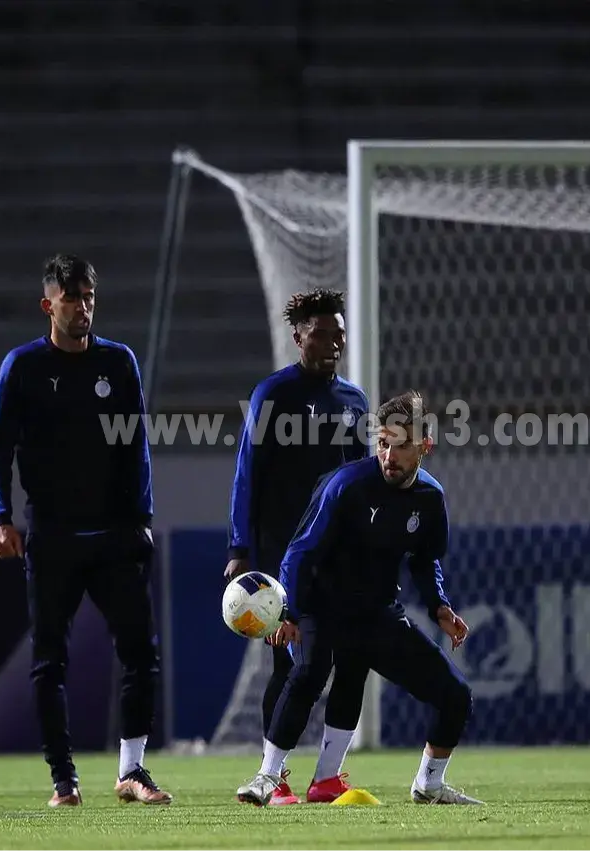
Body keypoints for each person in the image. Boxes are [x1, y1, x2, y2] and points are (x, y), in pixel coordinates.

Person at [236, 391, 482, 807]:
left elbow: (425, 560)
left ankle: (428, 784)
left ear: (425, 445)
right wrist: (289, 613)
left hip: (376, 610)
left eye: (401, 446)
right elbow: (299, 552)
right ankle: (267, 777)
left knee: (456, 696)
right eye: (382, 443)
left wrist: (438, 605)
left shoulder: (430, 498)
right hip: (319, 603)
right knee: (310, 671)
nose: (389, 455)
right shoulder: (346, 485)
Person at [0, 254, 169, 808]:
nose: (83, 308)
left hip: (115, 536)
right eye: (72, 299)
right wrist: (0, 518)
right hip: (53, 538)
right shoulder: (22, 366)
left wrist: (143, 519)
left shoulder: (119, 361)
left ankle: (132, 771)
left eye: (89, 297)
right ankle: (63, 780)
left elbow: (136, 448)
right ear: (48, 305)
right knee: (50, 661)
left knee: (141, 654)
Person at [226, 288, 371, 805]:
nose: (333, 343)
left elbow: (361, 480)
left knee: (351, 657)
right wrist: (240, 549)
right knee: (292, 665)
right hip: (284, 557)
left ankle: (327, 777)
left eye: (339, 334)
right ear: (298, 337)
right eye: (321, 333)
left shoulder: (354, 400)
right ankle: (276, 778)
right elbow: (247, 474)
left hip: (340, 557)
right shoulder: (274, 395)